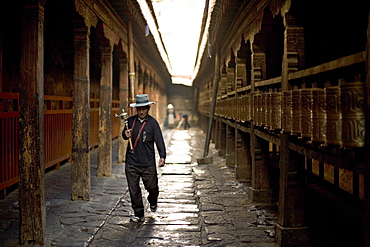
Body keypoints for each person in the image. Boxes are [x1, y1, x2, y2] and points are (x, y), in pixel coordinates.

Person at [122, 94, 166, 223]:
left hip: (148, 162)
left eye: (144, 109)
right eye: (139, 109)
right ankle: (139, 213)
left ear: (148, 108)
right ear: (136, 109)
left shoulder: (152, 123)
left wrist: (162, 156)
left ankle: (153, 201)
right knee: (133, 189)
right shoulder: (129, 121)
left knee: (152, 187)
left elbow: (159, 140)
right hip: (132, 161)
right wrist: (125, 134)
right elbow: (125, 135)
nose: (141, 112)